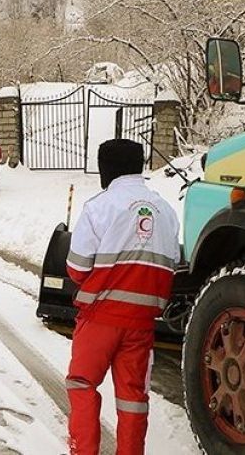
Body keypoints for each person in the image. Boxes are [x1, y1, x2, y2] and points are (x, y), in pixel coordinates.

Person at [64, 139, 180, 455]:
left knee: (82, 383)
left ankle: (83, 450)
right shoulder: (167, 212)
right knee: (133, 397)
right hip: (142, 325)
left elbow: (76, 268)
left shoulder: (100, 207)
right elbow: (173, 263)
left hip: (100, 317)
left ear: (107, 169)